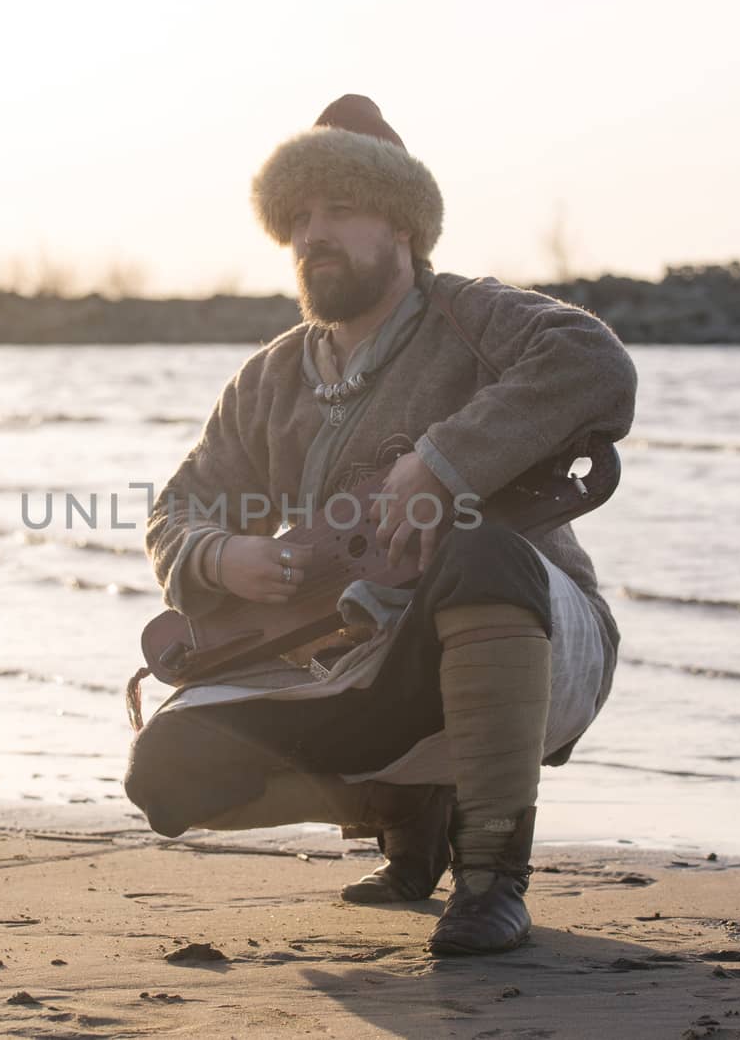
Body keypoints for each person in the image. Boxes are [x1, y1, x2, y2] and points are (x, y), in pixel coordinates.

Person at [124, 94, 637, 956]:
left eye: (342, 208)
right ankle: (405, 805)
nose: (313, 233)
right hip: (356, 663)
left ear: (402, 223)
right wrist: (222, 556)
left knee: (478, 550)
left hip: (537, 634)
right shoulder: (271, 378)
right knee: (168, 770)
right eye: (299, 216)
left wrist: (442, 462)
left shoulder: (476, 319)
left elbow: (594, 362)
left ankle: (488, 872)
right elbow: (178, 507)